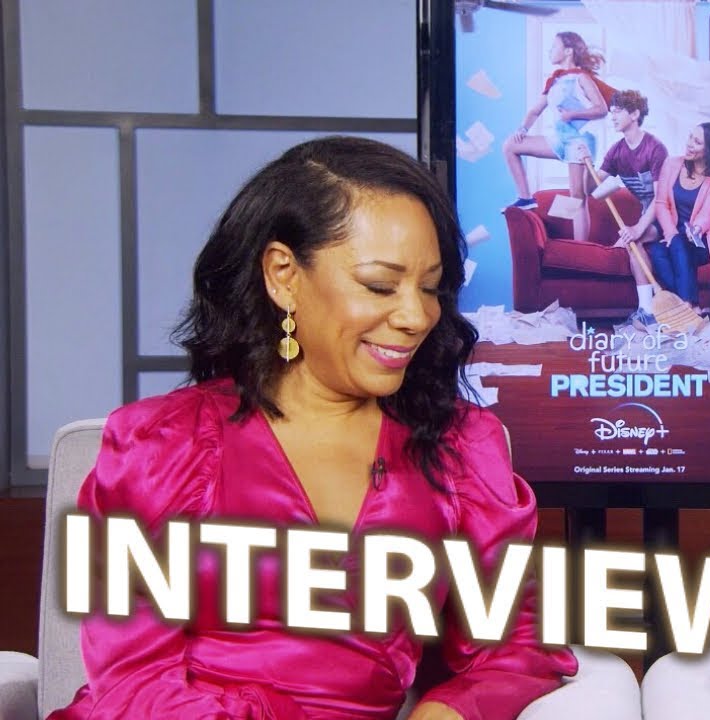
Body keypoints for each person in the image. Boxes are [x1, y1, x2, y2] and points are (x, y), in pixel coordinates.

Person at [49, 137, 584, 720]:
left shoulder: (460, 448)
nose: (416, 317)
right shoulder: (160, 445)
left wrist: (446, 712)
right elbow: (133, 686)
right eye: (380, 285)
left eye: (430, 288)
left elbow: (517, 645)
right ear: (283, 275)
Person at [503, 31, 610, 244]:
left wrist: (573, 114)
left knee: (577, 196)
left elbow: (602, 109)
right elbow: (535, 111)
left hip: (579, 141)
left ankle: (581, 248)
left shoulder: (582, 78)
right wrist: (523, 129)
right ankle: (525, 199)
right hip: (559, 140)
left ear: (568, 51)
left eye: (554, 46)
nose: (550, 51)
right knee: (510, 146)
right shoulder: (554, 81)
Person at [581, 89, 669, 326]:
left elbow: (661, 198)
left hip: (667, 214)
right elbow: (591, 188)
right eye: (612, 112)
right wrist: (586, 163)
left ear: (635, 114)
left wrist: (638, 228)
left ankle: (647, 310)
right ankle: (646, 310)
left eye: (618, 112)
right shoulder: (617, 151)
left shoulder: (655, 148)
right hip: (647, 214)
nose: (612, 117)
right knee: (624, 246)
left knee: (632, 240)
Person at [649, 122, 710, 306]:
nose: (689, 144)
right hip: (675, 235)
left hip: (702, 239)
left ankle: (686, 305)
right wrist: (671, 234)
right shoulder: (671, 164)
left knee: (678, 245)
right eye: (690, 137)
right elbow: (661, 204)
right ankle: (690, 306)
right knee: (657, 251)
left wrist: (695, 229)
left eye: (697, 142)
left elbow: (707, 214)